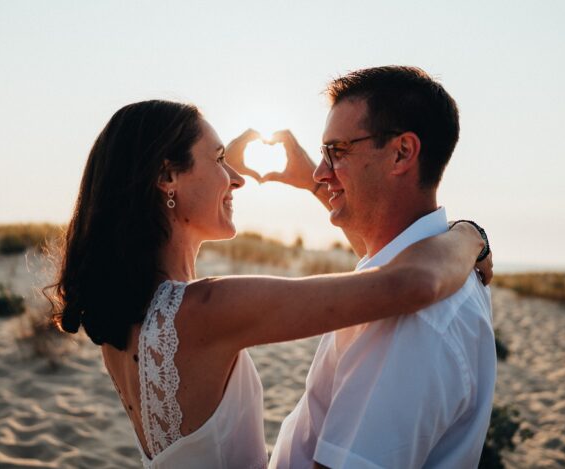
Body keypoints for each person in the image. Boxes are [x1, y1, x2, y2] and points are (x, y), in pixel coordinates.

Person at [46, 99, 491, 469]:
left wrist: (310, 183)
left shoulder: (125, 317)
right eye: (220, 160)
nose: (236, 177)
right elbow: (406, 283)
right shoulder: (208, 309)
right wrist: (470, 235)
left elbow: (375, 265)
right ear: (167, 177)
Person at [237, 66, 496, 468]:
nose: (322, 173)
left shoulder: (405, 321)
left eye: (336, 151)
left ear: (402, 153)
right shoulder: (431, 263)